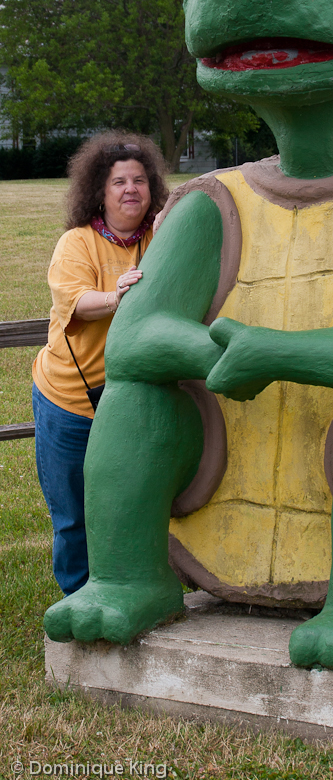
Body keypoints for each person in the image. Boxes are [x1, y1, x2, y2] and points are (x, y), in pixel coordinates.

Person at [32, 131, 168, 595]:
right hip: (70, 398)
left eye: (140, 180)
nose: (131, 189)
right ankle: (78, 599)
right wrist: (118, 296)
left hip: (132, 400)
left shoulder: (160, 236)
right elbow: (78, 301)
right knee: (73, 512)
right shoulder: (77, 243)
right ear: (99, 191)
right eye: (118, 182)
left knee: (131, 503)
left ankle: (127, 590)